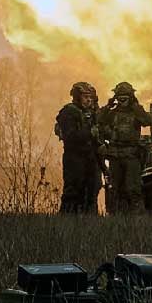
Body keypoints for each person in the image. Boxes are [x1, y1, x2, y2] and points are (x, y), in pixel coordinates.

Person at [97, 82, 152, 214]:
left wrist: (136, 107)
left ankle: (136, 217)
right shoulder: (112, 113)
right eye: (120, 97)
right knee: (115, 189)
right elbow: (98, 120)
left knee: (133, 189)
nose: (122, 101)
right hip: (115, 156)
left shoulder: (136, 112)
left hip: (131, 156)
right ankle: (116, 216)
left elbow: (148, 121)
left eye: (125, 97)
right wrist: (108, 106)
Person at [55, 82, 102, 214]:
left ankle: (90, 220)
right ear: (77, 97)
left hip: (91, 157)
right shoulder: (68, 113)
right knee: (73, 191)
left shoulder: (92, 113)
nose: (89, 100)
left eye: (90, 97)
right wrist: (89, 133)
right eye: (85, 97)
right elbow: (70, 136)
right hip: (75, 158)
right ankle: (68, 220)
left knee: (93, 189)